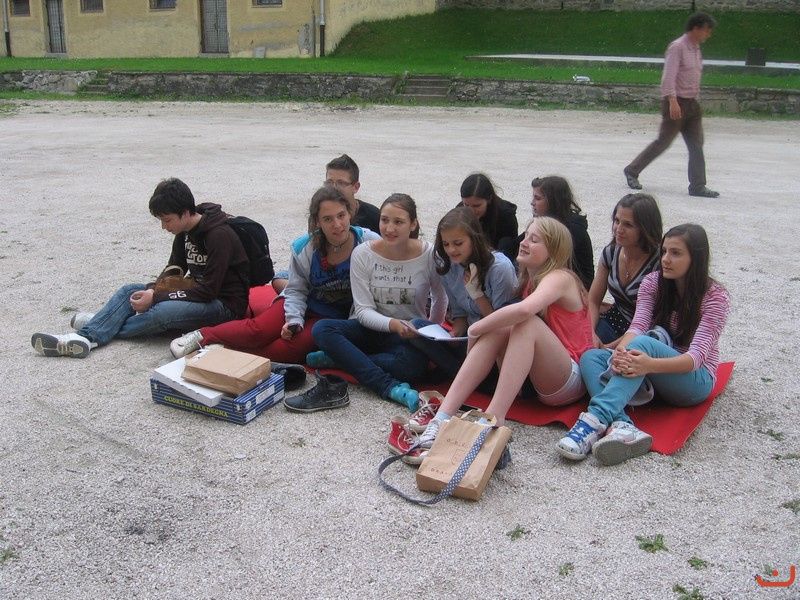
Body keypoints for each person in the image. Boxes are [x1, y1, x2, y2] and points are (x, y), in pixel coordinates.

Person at [413, 217, 596, 454]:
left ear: (553, 250)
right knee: (503, 324)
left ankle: (493, 418)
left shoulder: (561, 277)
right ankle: (442, 417)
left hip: (571, 377)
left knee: (523, 322)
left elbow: (525, 310)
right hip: (543, 377)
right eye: (526, 235)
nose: (524, 242)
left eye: (534, 240)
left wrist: (476, 328)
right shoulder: (529, 280)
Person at [559, 224, 730, 466]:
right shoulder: (653, 282)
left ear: (696, 258)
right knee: (591, 357)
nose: (666, 259)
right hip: (651, 368)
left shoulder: (715, 297)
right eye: (664, 251)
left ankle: (595, 419)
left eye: (676, 253)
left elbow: (696, 358)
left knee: (643, 344)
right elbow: (638, 325)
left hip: (694, 379)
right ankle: (622, 426)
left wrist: (648, 364)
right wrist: (621, 352)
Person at [31, 178, 250, 358]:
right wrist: (153, 289)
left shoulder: (219, 235)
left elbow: (209, 290)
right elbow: (174, 268)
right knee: (130, 290)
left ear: (185, 213)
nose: (163, 226)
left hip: (224, 305)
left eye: (167, 220)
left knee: (161, 313)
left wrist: (156, 297)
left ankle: (94, 329)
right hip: (198, 292)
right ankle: (92, 333)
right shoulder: (184, 232)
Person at [168, 185, 380, 363]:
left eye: (341, 216)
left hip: (332, 316)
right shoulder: (305, 248)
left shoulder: (369, 242)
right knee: (259, 331)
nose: (337, 225)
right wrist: (294, 320)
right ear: (317, 222)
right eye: (328, 219)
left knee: (289, 350)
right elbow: (296, 290)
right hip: (302, 301)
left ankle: (224, 349)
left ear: (350, 213)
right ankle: (203, 335)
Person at [301, 194, 448, 412]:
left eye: (398, 222)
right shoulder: (363, 253)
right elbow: (363, 310)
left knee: (412, 368)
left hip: (406, 336)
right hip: (368, 329)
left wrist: (429, 337)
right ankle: (388, 387)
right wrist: (394, 324)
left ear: (413, 224)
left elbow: (440, 298)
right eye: (384, 220)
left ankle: (342, 359)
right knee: (322, 329)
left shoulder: (429, 255)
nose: (389, 228)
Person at [409, 206, 517, 382]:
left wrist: (477, 295)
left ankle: (465, 376)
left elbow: (502, 327)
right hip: (469, 339)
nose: (451, 250)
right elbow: (460, 314)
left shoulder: (500, 269)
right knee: (416, 327)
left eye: (458, 243)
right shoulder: (448, 265)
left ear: (474, 239)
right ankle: (465, 375)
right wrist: (455, 333)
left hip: (495, 345)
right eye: (446, 244)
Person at [623, 12, 720, 198]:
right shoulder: (678, 47)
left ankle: (698, 186)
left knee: (696, 145)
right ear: (696, 28)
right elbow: (668, 77)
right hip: (677, 102)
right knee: (663, 142)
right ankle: (632, 170)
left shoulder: (696, 49)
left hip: (692, 103)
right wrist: (672, 101)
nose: (709, 34)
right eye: (707, 30)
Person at [272, 154, 380, 295]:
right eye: (329, 183)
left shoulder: (373, 219)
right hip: (325, 277)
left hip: (358, 279)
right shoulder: (320, 211)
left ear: (355, 187)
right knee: (279, 278)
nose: (334, 188)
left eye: (341, 183)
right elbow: (315, 247)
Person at [588, 193, 663, 346]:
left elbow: (654, 321)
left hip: (644, 333)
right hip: (613, 319)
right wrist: (590, 334)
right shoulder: (611, 252)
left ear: (645, 228)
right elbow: (593, 301)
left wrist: (607, 348)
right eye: (617, 221)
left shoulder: (659, 265)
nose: (618, 229)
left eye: (628, 225)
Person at [530, 176, 594, 290]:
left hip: (572, 289)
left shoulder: (573, 230)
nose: (532, 203)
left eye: (537, 198)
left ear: (553, 202)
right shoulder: (545, 223)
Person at [458, 173, 519, 264]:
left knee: (506, 242)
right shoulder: (460, 212)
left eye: (476, 206)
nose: (471, 211)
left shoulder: (505, 215)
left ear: (489, 199)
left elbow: (510, 245)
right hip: (470, 256)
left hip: (497, 257)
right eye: (466, 205)